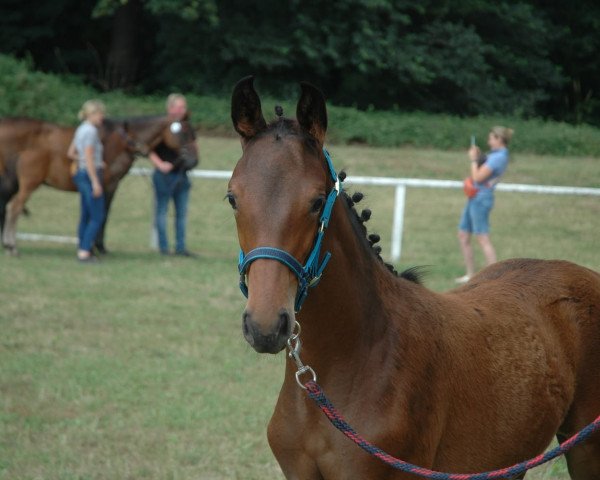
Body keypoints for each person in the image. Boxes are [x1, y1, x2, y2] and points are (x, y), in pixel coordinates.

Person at [456, 126, 513, 283]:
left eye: (491, 138)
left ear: (499, 140)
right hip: (474, 197)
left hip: (481, 199)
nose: (488, 141)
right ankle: (470, 275)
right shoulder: (495, 155)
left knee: (482, 237)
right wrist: (479, 156)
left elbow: (478, 178)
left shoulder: (498, 157)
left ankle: (496, 278)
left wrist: (474, 159)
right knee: (463, 235)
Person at [149, 93, 197, 257]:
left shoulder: (186, 126)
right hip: (164, 176)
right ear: (170, 108)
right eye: (180, 106)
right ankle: (164, 248)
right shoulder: (161, 126)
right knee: (162, 212)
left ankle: (180, 247)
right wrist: (160, 164)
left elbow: (193, 146)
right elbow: (148, 148)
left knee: (181, 214)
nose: (183, 109)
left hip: (182, 175)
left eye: (184, 106)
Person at [68, 100, 106, 263]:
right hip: (89, 174)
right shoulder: (91, 132)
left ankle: (82, 246)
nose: (102, 117)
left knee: (85, 214)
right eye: (100, 114)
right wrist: (95, 181)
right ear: (92, 114)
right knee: (97, 215)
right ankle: (84, 252)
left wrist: (94, 160)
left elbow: (71, 153)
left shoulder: (81, 129)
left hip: (80, 173)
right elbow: (89, 157)